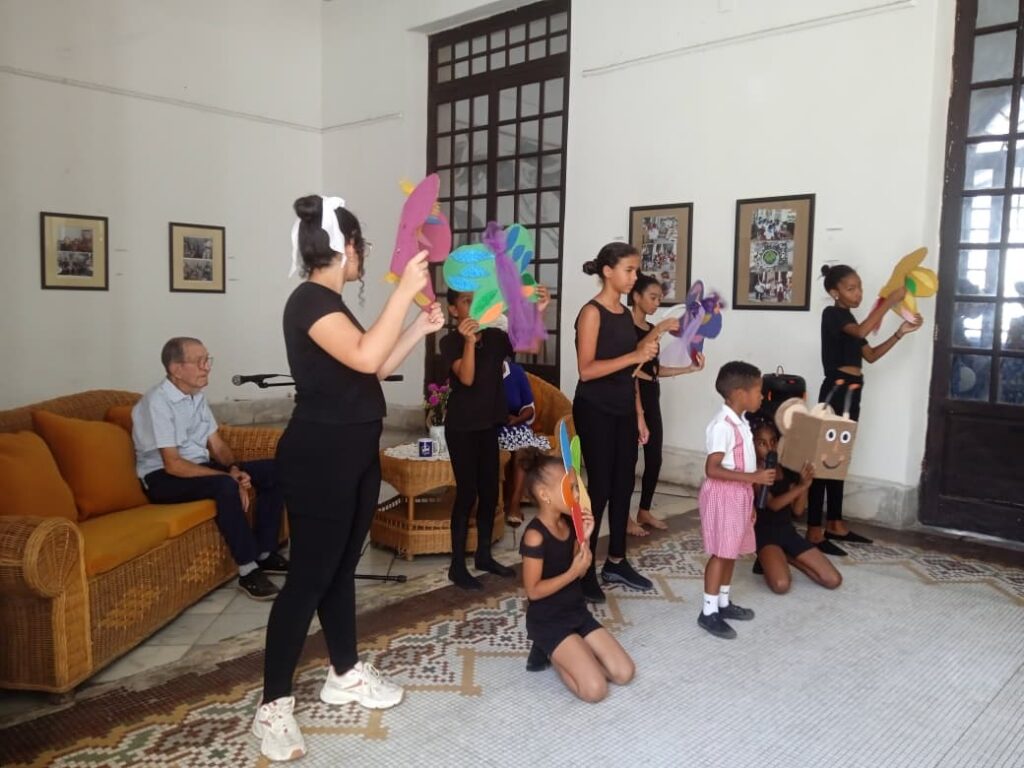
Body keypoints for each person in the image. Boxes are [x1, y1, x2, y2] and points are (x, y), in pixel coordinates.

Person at [253, 195, 443, 762]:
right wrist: (403, 292)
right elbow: (363, 356)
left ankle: (344, 673)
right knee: (308, 580)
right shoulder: (309, 301)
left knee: (340, 571)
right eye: (363, 244)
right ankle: (272, 706)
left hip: (355, 451)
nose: (366, 254)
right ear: (347, 246)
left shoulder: (331, 304)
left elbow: (374, 366)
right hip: (319, 457)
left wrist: (417, 326)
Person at [132, 337, 288, 601]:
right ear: (176, 369)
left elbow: (217, 444)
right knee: (225, 485)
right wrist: (229, 478)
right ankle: (248, 570)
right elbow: (173, 464)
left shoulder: (196, 396)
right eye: (200, 361)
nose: (207, 367)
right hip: (162, 478)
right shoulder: (157, 402)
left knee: (276, 470)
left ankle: (264, 552)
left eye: (207, 360)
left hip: (197, 467)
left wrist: (233, 468)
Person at [807, 264, 922, 556]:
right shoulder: (833, 315)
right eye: (851, 288)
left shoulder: (851, 319)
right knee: (823, 461)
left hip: (853, 391)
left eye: (859, 287)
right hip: (836, 391)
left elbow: (869, 355)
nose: (858, 293)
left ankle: (835, 523)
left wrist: (900, 333)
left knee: (839, 459)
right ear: (835, 292)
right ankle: (814, 530)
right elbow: (860, 331)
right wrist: (889, 301)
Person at [440, 285, 550, 589]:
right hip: (462, 427)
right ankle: (457, 566)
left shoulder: (496, 337)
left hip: (490, 426)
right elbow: (467, 377)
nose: (474, 306)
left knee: (490, 492)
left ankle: (484, 556)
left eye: (478, 300)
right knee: (467, 494)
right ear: (453, 310)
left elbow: (531, 346)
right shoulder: (450, 342)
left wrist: (539, 311)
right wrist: (469, 341)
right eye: (466, 301)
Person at [574, 242, 659, 603]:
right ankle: (583, 569)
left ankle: (617, 561)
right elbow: (586, 370)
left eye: (636, 270)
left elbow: (630, 374)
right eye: (629, 270)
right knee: (601, 490)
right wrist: (635, 354)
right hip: (594, 409)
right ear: (608, 272)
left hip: (624, 408)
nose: (634, 276)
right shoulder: (591, 313)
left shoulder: (624, 314)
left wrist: (639, 415)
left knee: (624, 485)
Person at [518, 448, 634, 701]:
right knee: (595, 690)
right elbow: (533, 591)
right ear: (545, 495)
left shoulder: (570, 523)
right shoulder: (534, 536)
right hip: (548, 621)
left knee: (624, 673)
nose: (578, 494)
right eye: (570, 488)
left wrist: (585, 538)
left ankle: (576, 653)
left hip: (576, 612)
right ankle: (550, 651)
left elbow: (577, 569)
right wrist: (573, 573)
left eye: (577, 487)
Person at [697, 361, 776, 640]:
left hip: (739, 494)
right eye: (758, 391)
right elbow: (712, 469)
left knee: (731, 551)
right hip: (724, 495)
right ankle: (708, 612)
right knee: (721, 552)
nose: (761, 396)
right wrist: (754, 477)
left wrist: (749, 503)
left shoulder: (741, 422)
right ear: (740, 393)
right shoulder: (722, 426)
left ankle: (723, 602)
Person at [626, 272, 704, 537]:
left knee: (654, 457)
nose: (656, 303)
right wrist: (658, 329)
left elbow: (654, 370)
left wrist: (689, 369)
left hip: (651, 393)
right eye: (652, 297)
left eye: (659, 298)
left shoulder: (651, 329)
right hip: (630, 394)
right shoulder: (624, 327)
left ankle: (644, 510)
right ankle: (624, 517)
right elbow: (632, 361)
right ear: (636, 296)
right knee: (627, 460)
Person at [749, 420, 842, 593]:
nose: (769, 448)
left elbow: (798, 511)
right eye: (762, 443)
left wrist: (805, 483)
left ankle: (788, 556)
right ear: (753, 446)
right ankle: (767, 557)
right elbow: (773, 505)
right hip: (765, 536)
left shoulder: (787, 470)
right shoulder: (754, 472)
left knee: (833, 580)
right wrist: (801, 486)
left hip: (787, 532)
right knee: (781, 585)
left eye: (773, 442)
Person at [499, 358, 551, 526]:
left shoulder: (516, 372)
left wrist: (517, 419)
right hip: (491, 426)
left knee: (524, 450)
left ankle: (514, 504)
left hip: (515, 424)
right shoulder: (482, 371)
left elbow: (529, 408)